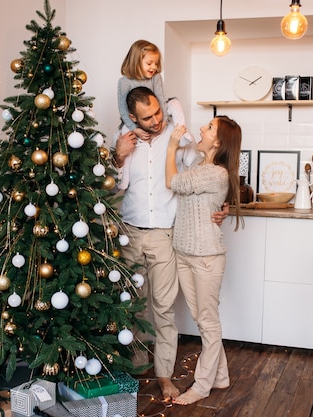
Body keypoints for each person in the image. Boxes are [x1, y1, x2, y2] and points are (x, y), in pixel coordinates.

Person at [113, 86, 227, 401]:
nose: (156, 120)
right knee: (131, 307)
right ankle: (134, 368)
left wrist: (224, 204)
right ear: (133, 117)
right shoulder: (125, 141)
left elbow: (210, 167)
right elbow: (108, 186)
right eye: (147, 118)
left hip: (165, 235)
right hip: (130, 232)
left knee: (163, 310)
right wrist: (117, 156)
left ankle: (163, 375)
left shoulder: (178, 139)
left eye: (158, 112)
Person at [165, 116, 243, 405]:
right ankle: (221, 376)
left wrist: (172, 145)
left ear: (219, 142)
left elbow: (171, 181)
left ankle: (202, 385)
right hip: (185, 253)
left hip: (206, 257)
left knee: (208, 322)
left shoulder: (216, 173)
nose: (201, 128)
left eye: (209, 128)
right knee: (201, 319)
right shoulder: (200, 166)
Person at [117, 39, 194, 190]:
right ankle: (124, 178)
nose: (154, 67)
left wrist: (164, 119)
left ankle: (182, 134)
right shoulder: (124, 82)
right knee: (126, 135)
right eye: (149, 63)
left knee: (175, 103)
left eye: (156, 63)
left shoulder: (155, 78)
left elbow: (161, 98)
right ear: (136, 61)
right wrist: (134, 128)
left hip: (163, 114)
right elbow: (123, 109)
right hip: (130, 123)